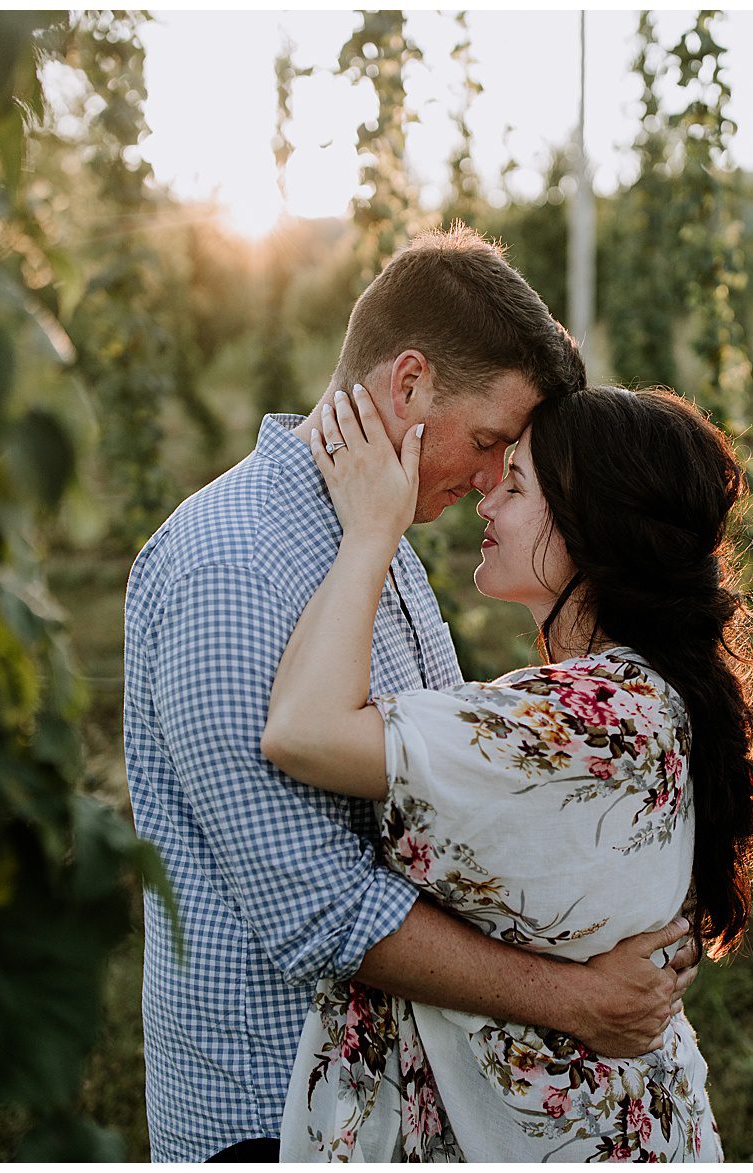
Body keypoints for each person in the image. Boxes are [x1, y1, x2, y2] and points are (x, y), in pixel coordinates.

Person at [123, 226, 700, 1163]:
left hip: (384, 1110)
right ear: (408, 385)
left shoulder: (374, 531)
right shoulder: (232, 567)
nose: (486, 481)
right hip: (270, 1115)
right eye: (488, 442)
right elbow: (319, 908)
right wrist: (576, 998)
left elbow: (441, 811)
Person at [263, 383, 753, 1160]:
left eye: (516, 485)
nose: (486, 501)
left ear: (589, 529)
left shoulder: (580, 722)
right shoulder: (652, 696)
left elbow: (303, 732)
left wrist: (371, 531)